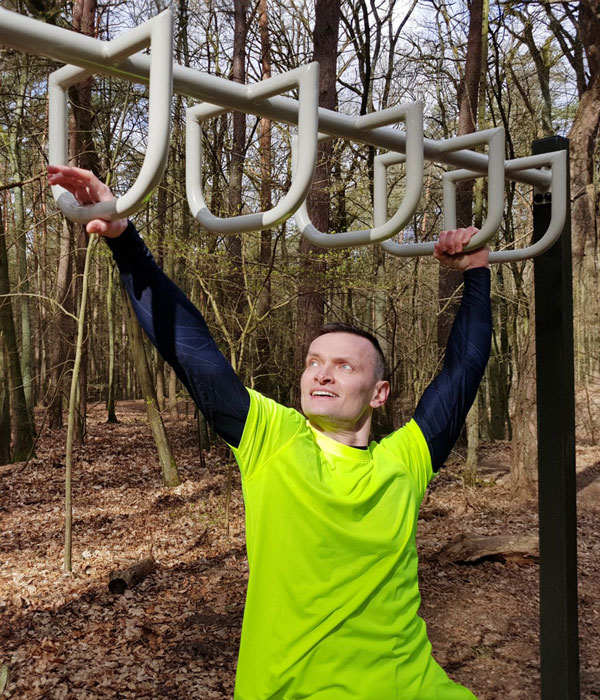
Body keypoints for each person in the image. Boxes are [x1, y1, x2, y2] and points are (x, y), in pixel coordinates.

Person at [47, 165, 491, 700]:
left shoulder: (406, 461)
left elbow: (462, 370)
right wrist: (125, 242)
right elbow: (192, 352)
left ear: (380, 393)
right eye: (313, 362)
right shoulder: (273, 439)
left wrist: (477, 271)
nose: (322, 373)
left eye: (345, 367)